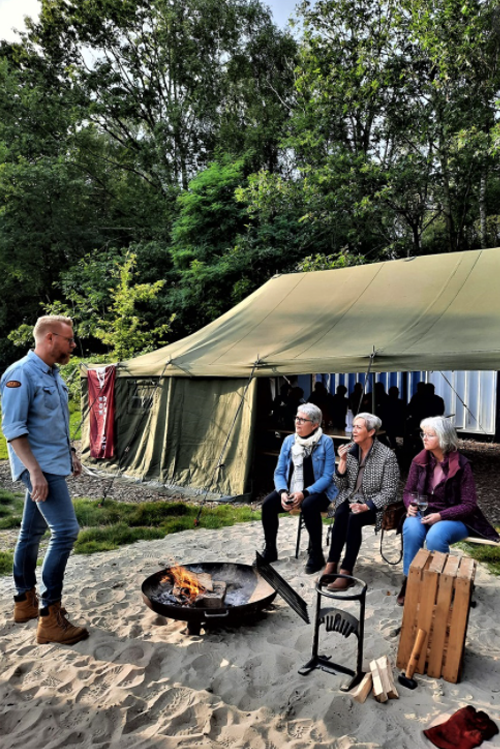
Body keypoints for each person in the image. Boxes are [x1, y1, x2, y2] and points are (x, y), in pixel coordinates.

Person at [0, 315, 89, 645]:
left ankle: (24, 602)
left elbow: (54, 423)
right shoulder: (20, 374)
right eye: (69, 339)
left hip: (53, 462)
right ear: (50, 338)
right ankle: (50, 617)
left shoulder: (53, 373)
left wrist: (71, 453)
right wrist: (35, 472)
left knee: (31, 532)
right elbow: (13, 430)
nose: (73, 344)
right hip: (39, 467)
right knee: (66, 532)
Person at [398, 416, 499, 605]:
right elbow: (408, 491)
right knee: (411, 528)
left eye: (430, 435)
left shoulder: (461, 465)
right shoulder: (418, 460)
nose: (424, 438)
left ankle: (444, 583)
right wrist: (409, 504)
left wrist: (441, 516)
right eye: (423, 434)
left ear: (443, 438)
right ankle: (410, 580)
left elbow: (468, 505)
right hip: (423, 512)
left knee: (436, 536)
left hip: (455, 517)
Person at [324, 412, 400, 590]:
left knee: (353, 518)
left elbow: (390, 491)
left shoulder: (387, 455)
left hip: (375, 504)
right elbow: (341, 485)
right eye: (353, 427)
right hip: (351, 498)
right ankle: (331, 564)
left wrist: (367, 506)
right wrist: (341, 463)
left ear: (371, 431)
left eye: (358, 427)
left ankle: (346, 572)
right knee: (341, 512)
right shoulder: (351, 451)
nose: (353, 431)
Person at [261, 403, 337, 574]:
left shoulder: (326, 442)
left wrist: (304, 493)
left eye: (303, 420)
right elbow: (279, 472)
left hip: (320, 490)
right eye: (297, 418)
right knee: (267, 504)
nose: (297, 422)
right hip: (291, 488)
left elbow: (327, 477)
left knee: (309, 505)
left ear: (315, 424)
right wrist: (282, 493)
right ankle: (271, 550)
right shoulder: (289, 441)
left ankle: (316, 555)